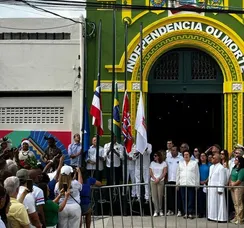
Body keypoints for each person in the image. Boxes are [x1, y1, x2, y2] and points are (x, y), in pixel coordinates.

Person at [176, 150, 199, 219]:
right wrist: (177, 183)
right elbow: (178, 174)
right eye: (184, 155)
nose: (186, 156)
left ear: (190, 155)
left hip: (191, 184)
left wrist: (197, 184)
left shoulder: (194, 163)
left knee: (191, 199)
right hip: (183, 183)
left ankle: (190, 213)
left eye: (187, 154)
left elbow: (197, 174)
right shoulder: (180, 163)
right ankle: (186, 212)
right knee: (184, 199)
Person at [207, 153, 227, 222]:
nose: (212, 159)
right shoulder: (211, 167)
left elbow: (222, 179)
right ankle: (211, 216)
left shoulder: (221, 168)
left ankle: (220, 218)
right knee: (211, 203)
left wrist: (220, 189)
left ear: (218, 159)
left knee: (218, 203)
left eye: (214, 158)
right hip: (211, 188)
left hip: (217, 189)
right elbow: (210, 177)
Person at [166, 146, 183, 216]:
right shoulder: (168, 159)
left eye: (174, 150)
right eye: (171, 150)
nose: (172, 151)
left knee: (178, 196)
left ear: (177, 151)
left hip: (177, 180)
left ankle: (179, 210)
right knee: (170, 196)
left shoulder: (181, 158)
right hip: (170, 180)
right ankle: (171, 210)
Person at [149, 150, 167, 217]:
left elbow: (164, 172)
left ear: (159, 156)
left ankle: (160, 210)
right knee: (154, 196)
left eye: (155, 156)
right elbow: (150, 172)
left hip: (160, 180)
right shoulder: (152, 163)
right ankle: (156, 210)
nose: (154, 157)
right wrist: (154, 178)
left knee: (160, 196)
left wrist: (159, 178)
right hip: (153, 181)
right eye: (154, 156)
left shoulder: (164, 163)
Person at [229, 156, 244, 224]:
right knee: (235, 203)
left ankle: (240, 219)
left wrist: (233, 184)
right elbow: (231, 176)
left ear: (240, 161)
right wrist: (230, 183)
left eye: (236, 159)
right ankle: (236, 217)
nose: (235, 160)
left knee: (239, 203)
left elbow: (239, 180)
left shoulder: (242, 169)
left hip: (238, 187)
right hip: (232, 186)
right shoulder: (234, 168)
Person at [198, 152, 210, 218]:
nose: (202, 157)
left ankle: (206, 212)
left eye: (204, 156)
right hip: (199, 183)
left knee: (206, 199)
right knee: (200, 199)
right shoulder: (198, 165)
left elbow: (210, 174)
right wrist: (199, 181)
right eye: (201, 156)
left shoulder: (209, 165)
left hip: (207, 183)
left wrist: (206, 181)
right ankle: (200, 212)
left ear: (206, 157)